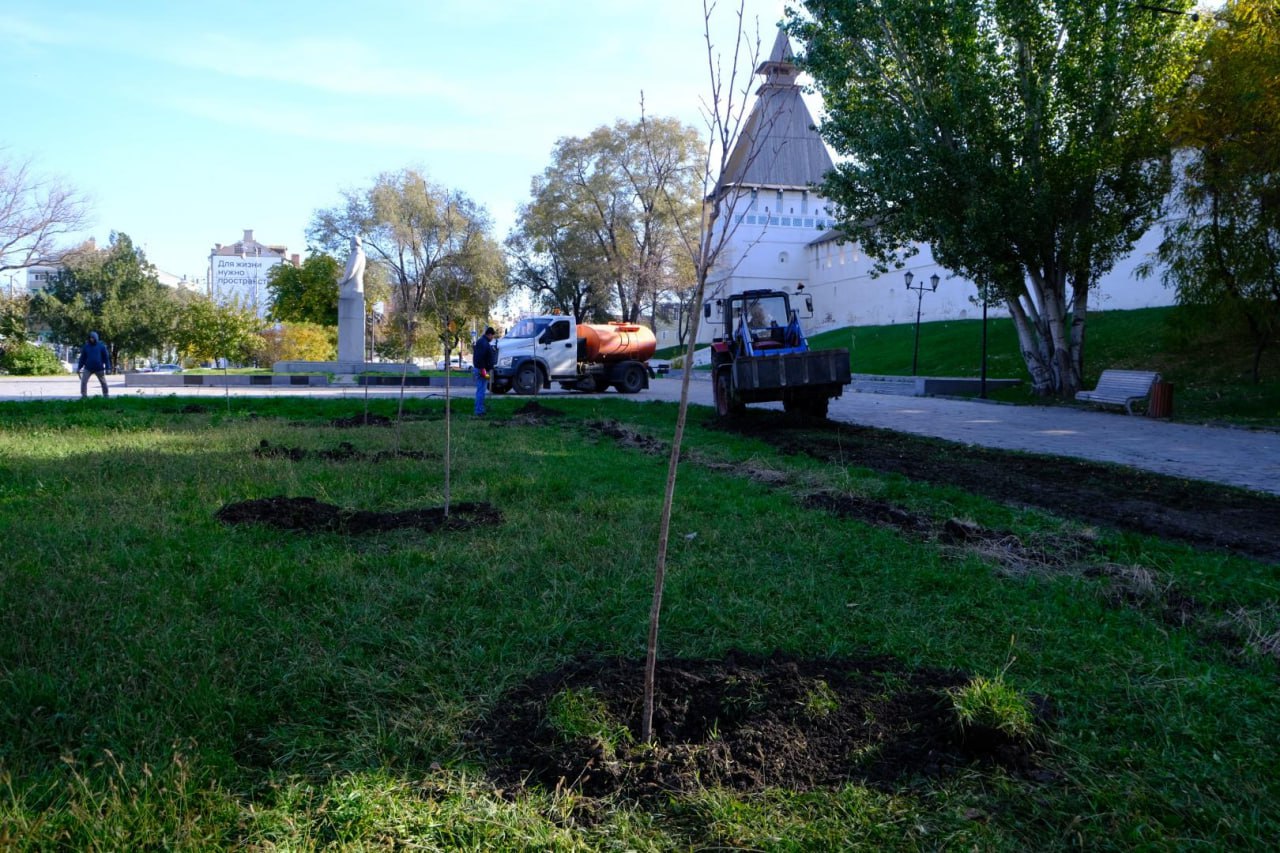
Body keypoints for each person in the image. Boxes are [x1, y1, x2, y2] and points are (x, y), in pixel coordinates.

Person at [471, 326, 498, 417]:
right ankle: (479, 411)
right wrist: (484, 372)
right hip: (482, 370)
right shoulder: (483, 343)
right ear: (489, 334)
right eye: (492, 336)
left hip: (482, 369)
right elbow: (481, 358)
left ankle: (480, 409)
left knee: (482, 389)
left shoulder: (482, 342)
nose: (492, 338)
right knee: (481, 390)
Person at [76, 331, 111, 399]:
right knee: (83, 381)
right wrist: (79, 368)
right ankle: (84, 396)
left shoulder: (101, 346)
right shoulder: (86, 347)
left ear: (96, 338)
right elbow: (82, 358)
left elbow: (106, 358)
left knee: (103, 382)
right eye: (90, 338)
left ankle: (106, 395)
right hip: (88, 368)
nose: (91, 339)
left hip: (99, 368)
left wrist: (108, 368)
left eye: (93, 338)